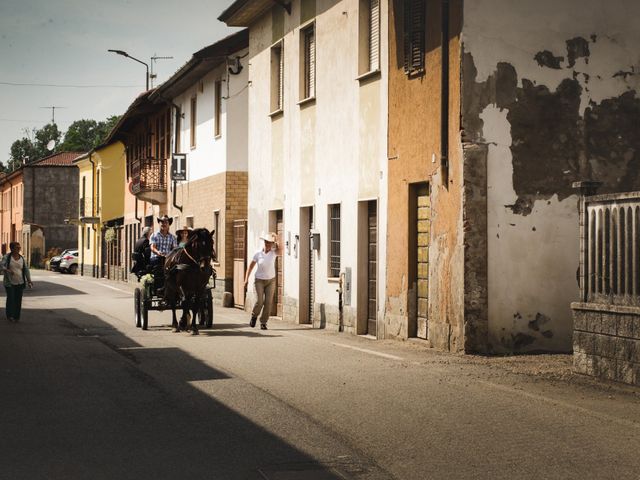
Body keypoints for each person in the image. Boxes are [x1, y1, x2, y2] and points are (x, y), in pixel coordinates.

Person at [244, 232, 278, 330]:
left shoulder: (274, 252)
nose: (268, 244)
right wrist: (246, 280)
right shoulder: (258, 253)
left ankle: (263, 322)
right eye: (266, 242)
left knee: (268, 303)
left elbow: (282, 250)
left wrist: (277, 238)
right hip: (259, 280)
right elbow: (250, 267)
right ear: (264, 242)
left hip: (271, 281)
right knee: (259, 301)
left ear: (272, 244)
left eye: (270, 243)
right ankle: (254, 316)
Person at [1, 242, 33, 322]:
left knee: (18, 300)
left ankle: (16, 316)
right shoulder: (7, 257)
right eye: (17, 247)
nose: (19, 249)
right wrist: (7, 270)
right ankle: (10, 315)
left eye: (19, 247)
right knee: (11, 299)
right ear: (12, 249)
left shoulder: (21, 258)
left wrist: (29, 280)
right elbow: (1, 265)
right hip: (9, 282)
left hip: (20, 281)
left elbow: (26, 269)